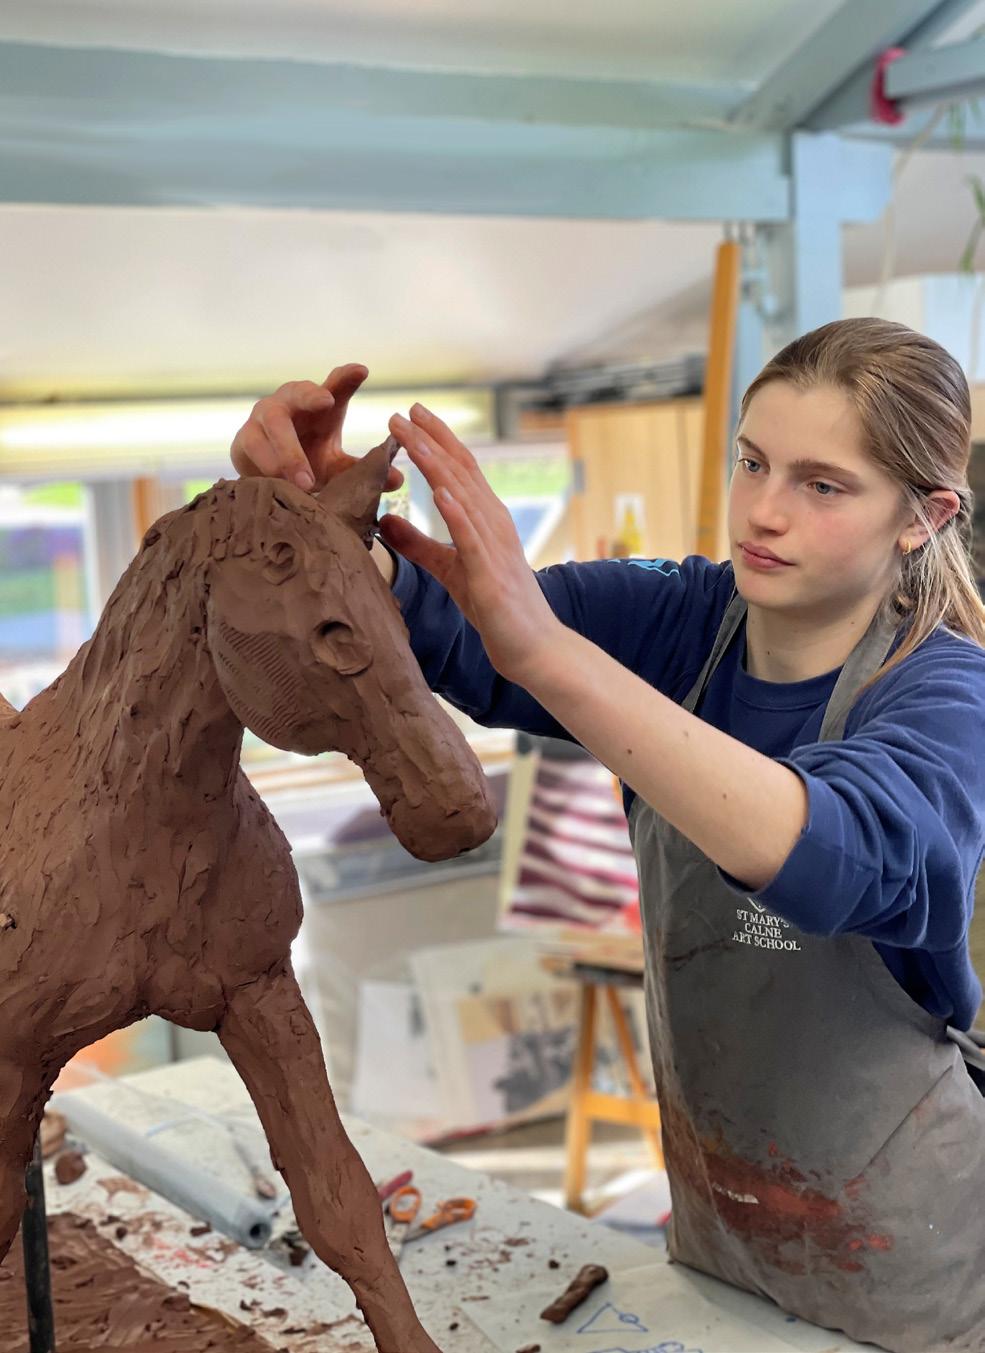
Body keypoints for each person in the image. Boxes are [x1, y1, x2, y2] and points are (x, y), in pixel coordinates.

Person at [231, 322, 985, 1352]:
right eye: (752, 462)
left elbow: (840, 855)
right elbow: (459, 634)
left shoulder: (946, 693)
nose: (763, 511)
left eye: (822, 485)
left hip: (908, 1265)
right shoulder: (680, 623)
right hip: (720, 1231)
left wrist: (549, 654)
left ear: (922, 516)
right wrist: (321, 525)